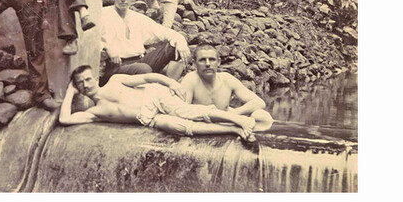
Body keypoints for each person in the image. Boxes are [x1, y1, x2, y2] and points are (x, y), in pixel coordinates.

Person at [59, 66, 257, 141]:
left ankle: (238, 119)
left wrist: (170, 82)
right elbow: (65, 119)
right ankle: (233, 129)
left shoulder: (115, 81)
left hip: (153, 96)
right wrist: (69, 92)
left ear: (95, 78)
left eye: (88, 79)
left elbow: (147, 78)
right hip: (148, 118)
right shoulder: (94, 112)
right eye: (80, 83)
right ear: (78, 88)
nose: (86, 85)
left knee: (188, 111)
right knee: (179, 127)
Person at [101, 0, 190, 84]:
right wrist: (107, 47)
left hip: (140, 60)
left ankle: (169, 85)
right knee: (143, 69)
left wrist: (181, 41)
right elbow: (89, 39)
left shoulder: (138, 18)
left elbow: (164, 32)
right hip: (116, 66)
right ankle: (157, 82)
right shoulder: (102, 15)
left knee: (175, 47)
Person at [180, 44, 274, 132]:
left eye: (212, 59)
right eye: (202, 60)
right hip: (202, 123)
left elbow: (259, 102)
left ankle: (255, 139)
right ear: (194, 63)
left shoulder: (226, 78)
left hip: (226, 120)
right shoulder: (190, 79)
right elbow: (183, 111)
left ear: (219, 62)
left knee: (262, 115)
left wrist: (231, 115)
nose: (208, 64)